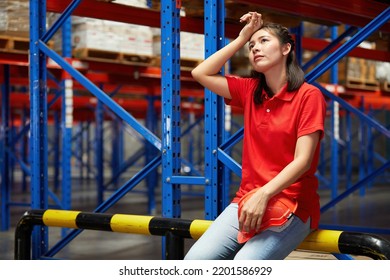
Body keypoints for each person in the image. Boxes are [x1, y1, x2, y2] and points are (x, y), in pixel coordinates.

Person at [184, 11, 327, 260]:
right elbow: (201, 73)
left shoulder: (308, 95)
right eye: (252, 46)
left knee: (244, 267)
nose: (255, 48)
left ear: (286, 49)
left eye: (264, 41)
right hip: (247, 198)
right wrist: (242, 38)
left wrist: (264, 194)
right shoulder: (250, 91)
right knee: (195, 262)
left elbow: (302, 160)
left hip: (291, 203)